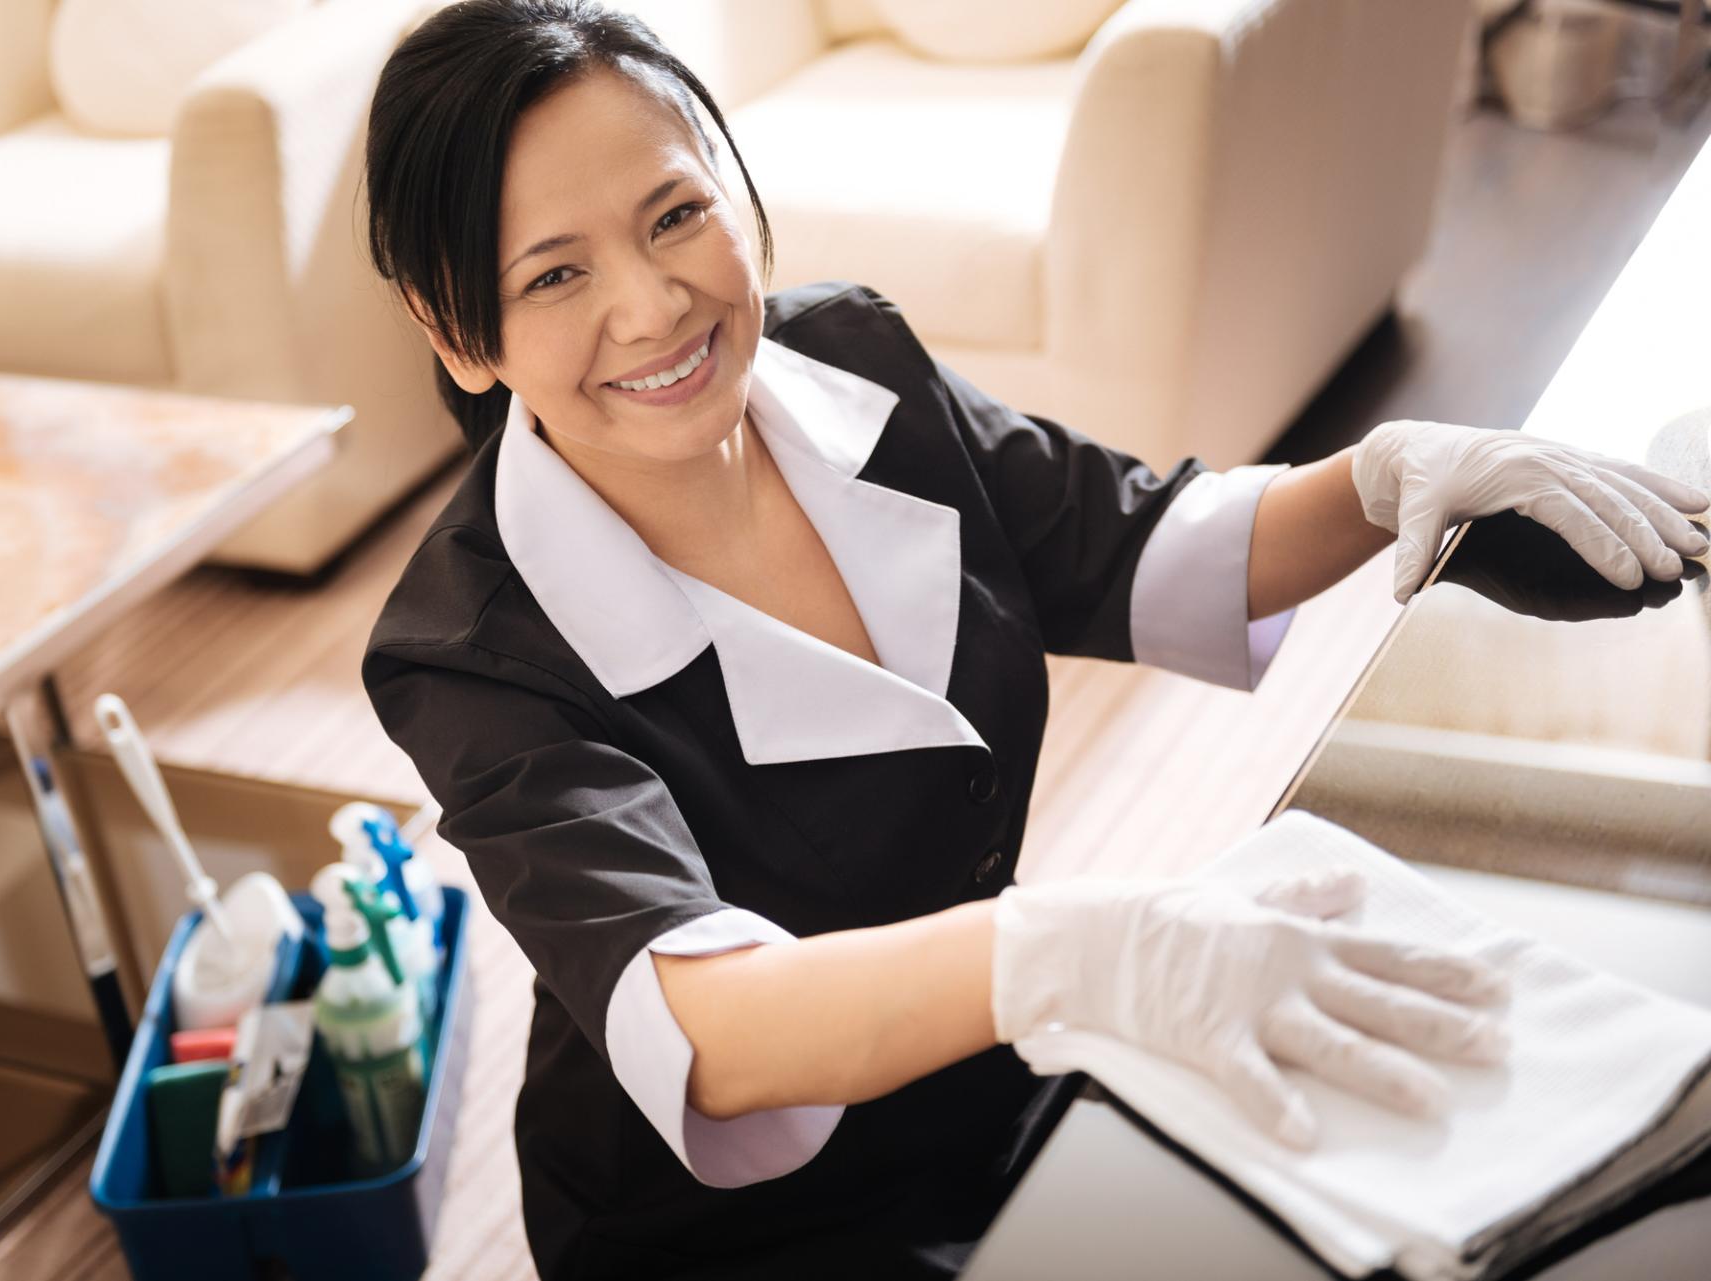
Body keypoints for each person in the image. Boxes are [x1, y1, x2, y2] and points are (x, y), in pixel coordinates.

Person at [357, 3, 1711, 1276]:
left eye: (677, 213)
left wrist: (1381, 476)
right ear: (455, 329)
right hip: (725, 1226)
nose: (651, 305)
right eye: (553, 273)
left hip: (986, 1091)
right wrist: (1083, 948)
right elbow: (703, 1018)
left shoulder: (854, 361)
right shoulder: (473, 643)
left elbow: (1132, 539)